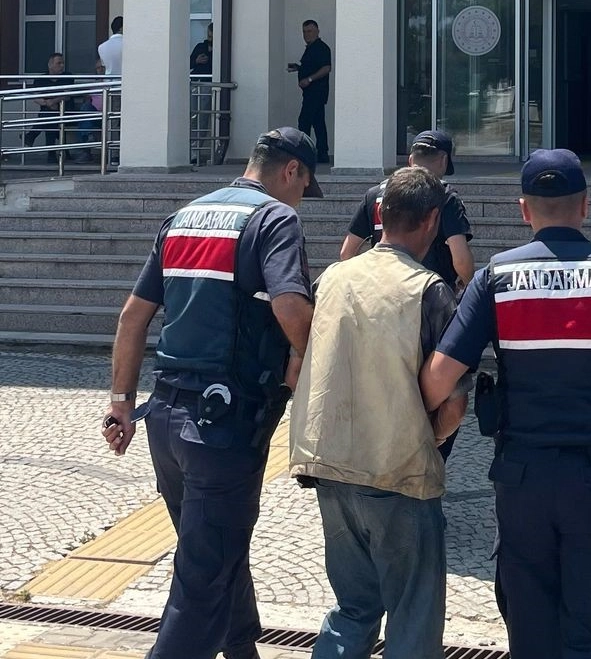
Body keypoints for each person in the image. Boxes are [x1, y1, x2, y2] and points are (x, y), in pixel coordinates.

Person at [419, 148, 591, 659]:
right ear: (585, 206)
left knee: (533, 632)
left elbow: (438, 380)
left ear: (524, 210)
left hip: (521, 483)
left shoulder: (496, 278)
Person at [100, 127, 320, 659]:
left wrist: (121, 404)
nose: (300, 198)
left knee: (215, 552)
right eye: (303, 186)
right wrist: (317, 368)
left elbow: (132, 317)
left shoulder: (184, 216)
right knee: (201, 581)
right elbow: (291, 307)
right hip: (225, 426)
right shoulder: (274, 219)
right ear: (291, 170)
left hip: (165, 421)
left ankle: (241, 648)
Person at [289, 166, 470, 659]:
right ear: (432, 221)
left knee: (353, 607)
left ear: (380, 216)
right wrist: (424, 437)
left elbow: (298, 367)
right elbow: (454, 402)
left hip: (329, 464)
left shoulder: (332, 279)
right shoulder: (429, 290)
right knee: (413, 611)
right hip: (398, 471)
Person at [339, 129, 474, 460]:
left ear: (411, 159)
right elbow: (460, 259)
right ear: (443, 161)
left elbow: (346, 253)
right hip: (427, 306)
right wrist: (465, 286)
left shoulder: (375, 194)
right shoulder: (443, 197)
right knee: (431, 390)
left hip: (377, 304)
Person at [288, 20, 332, 163]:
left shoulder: (321, 48)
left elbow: (326, 68)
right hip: (310, 93)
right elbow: (312, 66)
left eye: (310, 31)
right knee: (318, 123)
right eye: (304, 32)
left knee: (304, 121)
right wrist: (299, 68)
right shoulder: (311, 48)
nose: (306, 35)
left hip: (316, 92)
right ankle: (322, 153)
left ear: (317, 31)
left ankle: (304, 154)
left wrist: (309, 79)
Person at [23, 52, 75, 163]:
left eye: (63, 63)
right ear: (50, 65)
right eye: (58, 63)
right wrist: (47, 103)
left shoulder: (67, 76)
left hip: (66, 111)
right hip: (49, 112)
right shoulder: (41, 79)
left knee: (49, 118)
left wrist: (53, 101)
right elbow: (35, 97)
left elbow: (67, 95)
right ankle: (54, 154)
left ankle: (31, 136)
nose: (62, 66)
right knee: (50, 119)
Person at [189, 23, 214, 165]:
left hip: (208, 84)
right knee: (192, 117)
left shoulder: (220, 48)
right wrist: (196, 60)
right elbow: (189, 63)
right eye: (209, 35)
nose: (210, 38)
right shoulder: (200, 47)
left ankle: (196, 151)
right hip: (196, 83)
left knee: (203, 119)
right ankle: (189, 150)